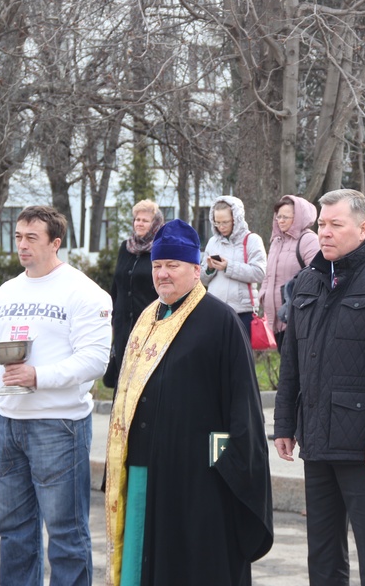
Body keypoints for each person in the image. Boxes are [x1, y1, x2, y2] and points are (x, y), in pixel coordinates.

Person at [105, 219, 273, 586]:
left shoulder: (220, 322)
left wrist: (218, 464)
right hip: (143, 471)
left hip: (197, 481)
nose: (162, 275)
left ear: (196, 270)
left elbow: (242, 407)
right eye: (157, 266)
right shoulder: (148, 318)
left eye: (172, 266)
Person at [274, 188, 365, 586]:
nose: (325, 232)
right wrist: (285, 424)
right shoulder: (306, 282)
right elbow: (292, 362)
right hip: (316, 437)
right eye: (321, 224)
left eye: (335, 224)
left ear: (362, 228)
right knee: (322, 551)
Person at [0, 205, 112, 585]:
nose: (22, 246)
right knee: (13, 532)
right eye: (18, 237)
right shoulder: (6, 292)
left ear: (55, 242)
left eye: (31, 238)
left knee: (65, 533)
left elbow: (95, 360)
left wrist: (37, 376)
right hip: (8, 423)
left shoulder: (84, 292)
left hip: (58, 425)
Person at [106, 199, 164, 390]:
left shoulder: (160, 249)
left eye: (145, 220)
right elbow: (116, 284)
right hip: (123, 325)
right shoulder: (126, 247)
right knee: (122, 379)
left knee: (144, 378)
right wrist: (112, 317)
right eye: (136, 219)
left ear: (155, 224)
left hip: (149, 324)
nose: (139, 223)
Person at [200, 195, 267, 336]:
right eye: (217, 222)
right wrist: (210, 269)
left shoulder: (252, 240)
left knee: (240, 357)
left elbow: (259, 273)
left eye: (225, 222)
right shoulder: (213, 242)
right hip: (215, 310)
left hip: (242, 312)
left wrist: (228, 266)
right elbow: (202, 279)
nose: (221, 227)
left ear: (236, 219)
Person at [260, 195, 319, 351]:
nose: (281, 220)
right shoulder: (276, 241)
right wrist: (263, 296)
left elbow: (318, 276)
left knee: (296, 369)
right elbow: (269, 275)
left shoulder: (309, 240)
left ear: (298, 217)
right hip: (277, 319)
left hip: (298, 318)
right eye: (278, 216)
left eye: (286, 217)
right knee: (286, 367)